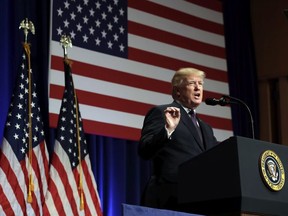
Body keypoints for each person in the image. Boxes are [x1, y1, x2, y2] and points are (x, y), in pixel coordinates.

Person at [138, 67, 218, 210]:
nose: (197, 87)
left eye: (200, 84)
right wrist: (168, 130)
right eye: (192, 83)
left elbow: (215, 154)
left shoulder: (206, 128)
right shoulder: (162, 113)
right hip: (169, 199)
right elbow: (145, 149)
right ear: (178, 91)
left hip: (201, 200)